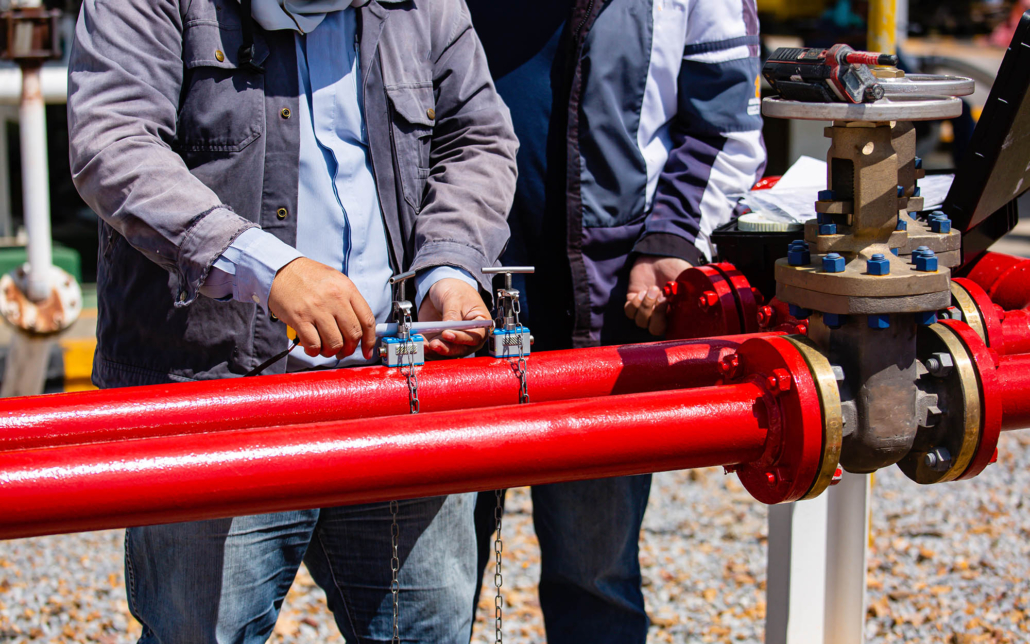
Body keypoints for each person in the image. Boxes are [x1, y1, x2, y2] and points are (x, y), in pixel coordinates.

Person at [67, 0, 517, 642]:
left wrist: (448, 270)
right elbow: (113, 145)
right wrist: (268, 268)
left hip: (396, 391)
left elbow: (478, 140)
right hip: (212, 398)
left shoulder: (424, 8)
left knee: (425, 633)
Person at [466, 1, 766, 641]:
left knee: (595, 577)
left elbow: (725, 124)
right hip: (458, 307)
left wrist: (672, 238)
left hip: (603, 319)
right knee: (431, 581)